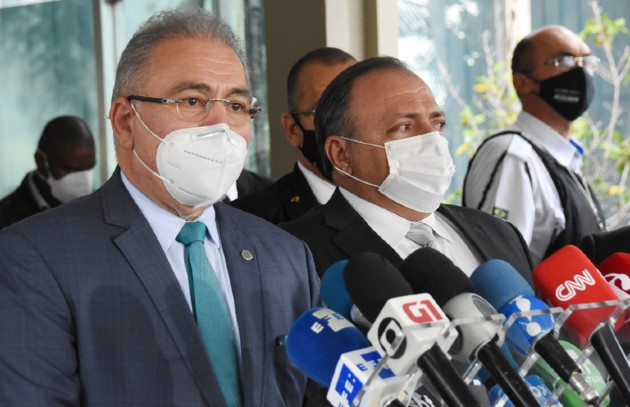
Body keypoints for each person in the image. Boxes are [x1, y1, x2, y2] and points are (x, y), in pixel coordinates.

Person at [0, 8, 319, 407]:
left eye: (237, 106)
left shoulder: (287, 256)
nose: (221, 126)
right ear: (124, 122)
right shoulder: (32, 259)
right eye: (192, 100)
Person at [280, 56, 534, 284]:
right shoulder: (291, 253)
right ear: (342, 154)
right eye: (404, 127)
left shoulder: (500, 233)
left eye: (438, 122)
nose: (432, 137)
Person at [463, 25, 606, 265]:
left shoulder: (565, 159)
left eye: (586, 60)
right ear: (523, 82)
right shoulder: (514, 155)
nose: (580, 72)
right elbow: (502, 265)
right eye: (564, 60)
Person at [230, 47, 356, 223]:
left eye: (355, 110)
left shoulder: (397, 205)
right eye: (324, 113)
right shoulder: (246, 219)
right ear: (292, 129)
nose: (345, 126)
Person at [0, 115, 96, 229]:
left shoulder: (99, 209)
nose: (83, 180)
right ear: (41, 162)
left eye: (89, 167)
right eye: (70, 170)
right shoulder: (5, 222)